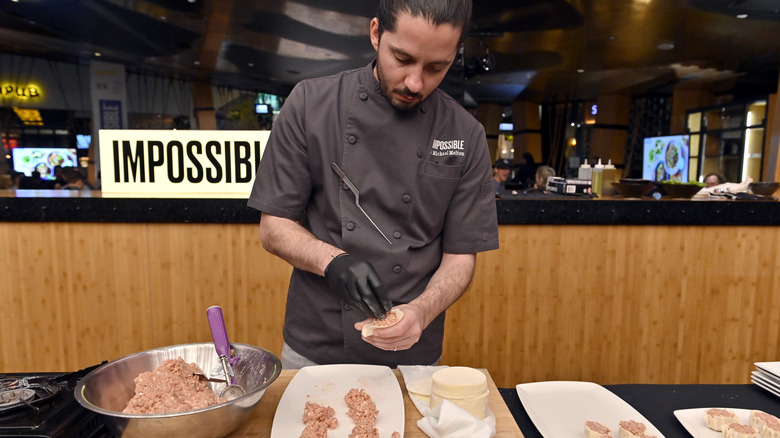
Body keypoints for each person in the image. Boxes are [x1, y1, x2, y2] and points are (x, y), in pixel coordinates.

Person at [248, 0, 498, 369]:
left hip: (414, 351)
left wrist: (421, 311)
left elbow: (460, 259)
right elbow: (273, 228)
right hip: (316, 344)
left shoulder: (466, 134)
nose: (415, 82)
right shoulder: (310, 105)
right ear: (376, 33)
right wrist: (333, 261)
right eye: (402, 58)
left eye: (436, 68)